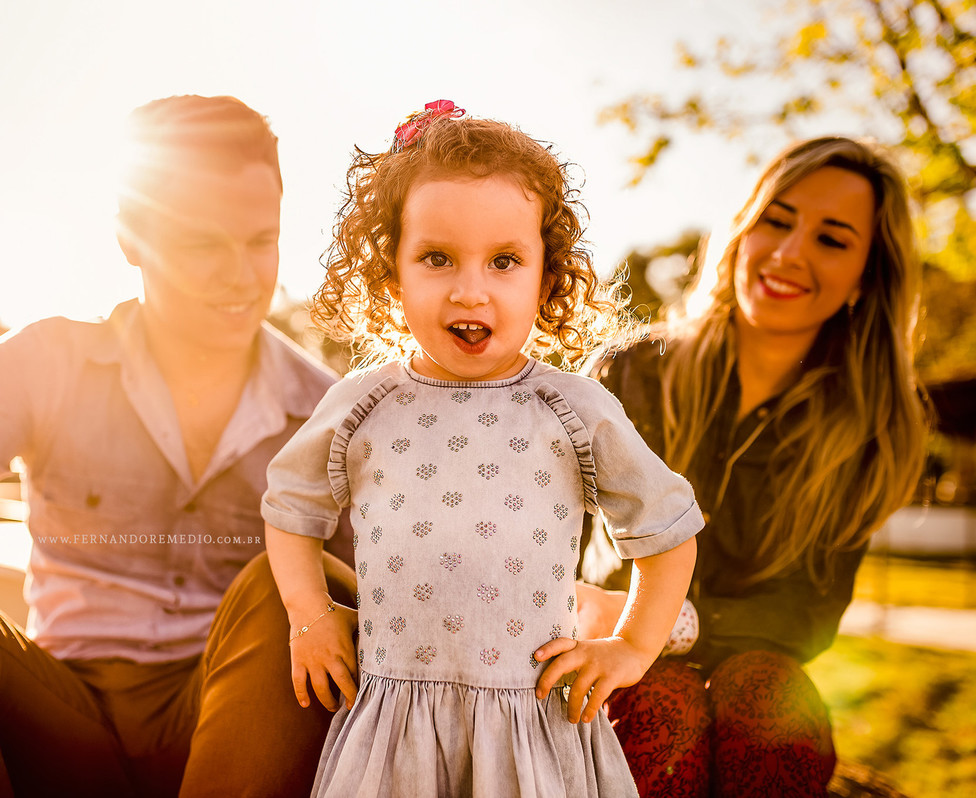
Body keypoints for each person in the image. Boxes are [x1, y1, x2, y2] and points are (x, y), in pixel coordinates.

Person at [0, 95, 354, 798]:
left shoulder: (331, 412)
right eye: (201, 244)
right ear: (130, 238)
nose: (241, 276)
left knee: (298, 596)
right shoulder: (47, 361)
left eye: (260, 241)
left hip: (237, 730)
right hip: (60, 720)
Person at [260, 100, 703, 797]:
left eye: (504, 261)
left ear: (546, 279)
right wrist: (310, 619)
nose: (472, 290)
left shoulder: (573, 407)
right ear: (391, 273)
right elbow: (290, 512)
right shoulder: (362, 403)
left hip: (533, 734)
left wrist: (631, 646)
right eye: (437, 258)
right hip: (393, 733)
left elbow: (668, 529)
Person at [579, 136, 929, 797]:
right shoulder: (631, 372)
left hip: (758, 675)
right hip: (612, 657)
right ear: (742, 227)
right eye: (777, 217)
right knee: (661, 706)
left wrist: (677, 625)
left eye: (832, 238)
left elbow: (807, 613)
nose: (790, 253)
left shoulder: (870, 425)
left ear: (868, 273)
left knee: (769, 702)